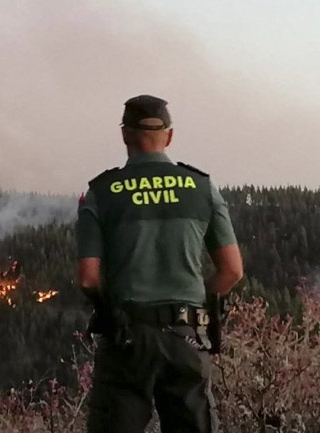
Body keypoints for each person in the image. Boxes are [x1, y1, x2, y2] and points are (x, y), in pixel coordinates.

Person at [76, 95, 244, 433]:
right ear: (169, 136)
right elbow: (232, 270)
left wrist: (113, 307)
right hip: (186, 337)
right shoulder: (202, 187)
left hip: (127, 338)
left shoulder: (101, 192)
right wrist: (195, 299)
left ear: (125, 135)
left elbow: (88, 278)